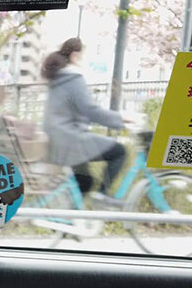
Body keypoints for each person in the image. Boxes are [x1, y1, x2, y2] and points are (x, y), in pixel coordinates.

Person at [41, 37, 128, 202]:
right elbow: (90, 110)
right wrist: (121, 119)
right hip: (70, 139)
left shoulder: (57, 78)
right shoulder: (73, 78)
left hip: (57, 139)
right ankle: (102, 197)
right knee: (119, 152)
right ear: (75, 55)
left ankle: (70, 216)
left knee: (85, 182)